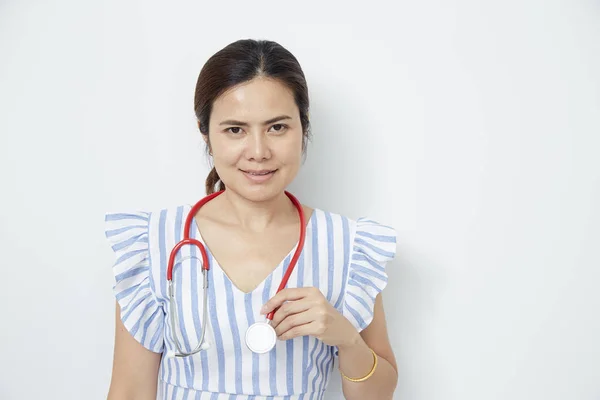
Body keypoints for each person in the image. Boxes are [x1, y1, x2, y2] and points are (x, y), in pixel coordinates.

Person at [104, 39, 398, 400]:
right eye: (235, 130)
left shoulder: (348, 248)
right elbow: (129, 391)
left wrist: (346, 338)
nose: (258, 152)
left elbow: (378, 395)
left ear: (303, 128)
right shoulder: (154, 242)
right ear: (205, 133)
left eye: (277, 128)